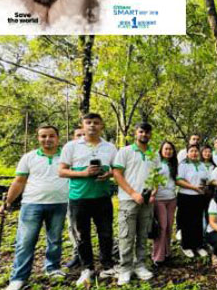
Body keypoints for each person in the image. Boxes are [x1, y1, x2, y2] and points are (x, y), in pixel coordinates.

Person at [2, 125, 69, 290]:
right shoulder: (29, 157)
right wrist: (7, 203)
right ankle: (18, 277)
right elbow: (19, 181)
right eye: (43, 136)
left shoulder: (67, 157)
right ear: (38, 138)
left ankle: (52, 268)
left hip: (59, 203)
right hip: (32, 204)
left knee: (55, 240)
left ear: (57, 138)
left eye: (51, 136)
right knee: (25, 241)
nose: (47, 139)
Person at [58, 113, 117, 286]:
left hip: (103, 197)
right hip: (79, 198)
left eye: (96, 123)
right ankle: (87, 268)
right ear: (83, 125)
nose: (92, 125)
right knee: (82, 235)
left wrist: (108, 174)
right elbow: (62, 171)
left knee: (106, 233)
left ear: (102, 126)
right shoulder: (72, 146)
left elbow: (116, 169)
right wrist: (84, 173)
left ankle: (107, 265)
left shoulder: (110, 147)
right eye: (88, 122)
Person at [111, 122, 159, 284]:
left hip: (147, 201)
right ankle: (125, 268)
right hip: (128, 200)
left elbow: (156, 175)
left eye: (147, 132)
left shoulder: (155, 154)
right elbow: (117, 173)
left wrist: (154, 192)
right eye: (141, 132)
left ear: (150, 134)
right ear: (135, 133)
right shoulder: (125, 151)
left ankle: (140, 265)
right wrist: (132, 193)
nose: (144, 135)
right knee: (126, 235)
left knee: (143, 234)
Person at [175, 144, 211, 259]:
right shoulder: (183, 165)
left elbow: (206, 179)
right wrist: (193, 187)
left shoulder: (201, 165)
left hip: (199, 197)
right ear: (187, 153)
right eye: (191, 151)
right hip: (186, 196)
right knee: (186, 222)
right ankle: (186, 246)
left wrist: (204, 187)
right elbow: (179, 180)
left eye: (196, 151)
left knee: (198, 221)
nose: (194, 153)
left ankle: (198, 245)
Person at [151, 141, 178, 267]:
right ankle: (157, 257)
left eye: (170, 149)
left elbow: (176, 180)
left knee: (168, 227)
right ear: (161, 150)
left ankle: (167, 253)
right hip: (159, 199)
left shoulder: (173, 164)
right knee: (162, 227)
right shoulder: (156, 163)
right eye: (166, 149)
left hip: (172, 199)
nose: (168, 151)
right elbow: (151, 179)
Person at [63, 126, 86, 271]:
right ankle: (77, 253)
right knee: (73, 226)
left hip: (92, 197)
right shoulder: (68, 153)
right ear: (73, 137)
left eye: (84, 134)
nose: (82, 137)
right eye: (78, 135)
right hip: (71, 196)